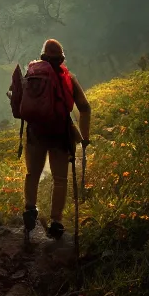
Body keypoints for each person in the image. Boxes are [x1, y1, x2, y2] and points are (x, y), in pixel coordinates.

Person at [23, 39, 91, 240]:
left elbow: (18, 99)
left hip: (35, 132)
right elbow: (84, 107)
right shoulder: (67, 76)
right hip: (60, 134)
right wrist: (85, 136)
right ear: (61, 58)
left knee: (32, 174)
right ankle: (56, 221)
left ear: (43, 56)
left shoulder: (31, 74)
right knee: (60, 179)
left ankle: (29, 209)